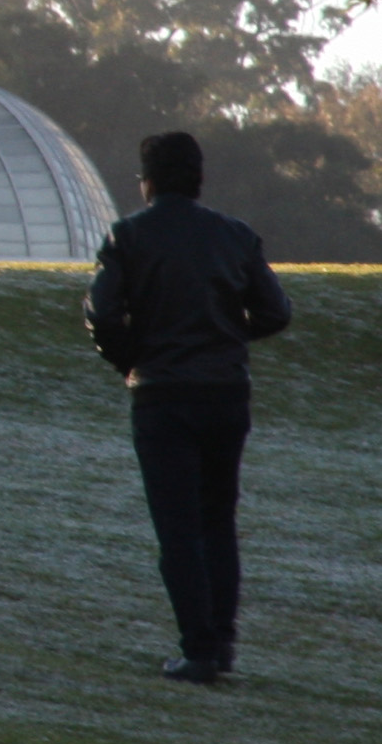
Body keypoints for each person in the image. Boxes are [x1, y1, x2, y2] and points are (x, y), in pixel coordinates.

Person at [82, 131, 292, 684]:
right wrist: (225, 337)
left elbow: (102, 315)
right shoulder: (234, 236)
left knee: (177, 530)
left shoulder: (128, 238)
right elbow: (275, 312)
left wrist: (133, 358)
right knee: (218, 522)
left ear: (147, 182)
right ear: (198, 178)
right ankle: (221, 644)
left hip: (162, 397)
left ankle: (197, 649)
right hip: (226, 395)